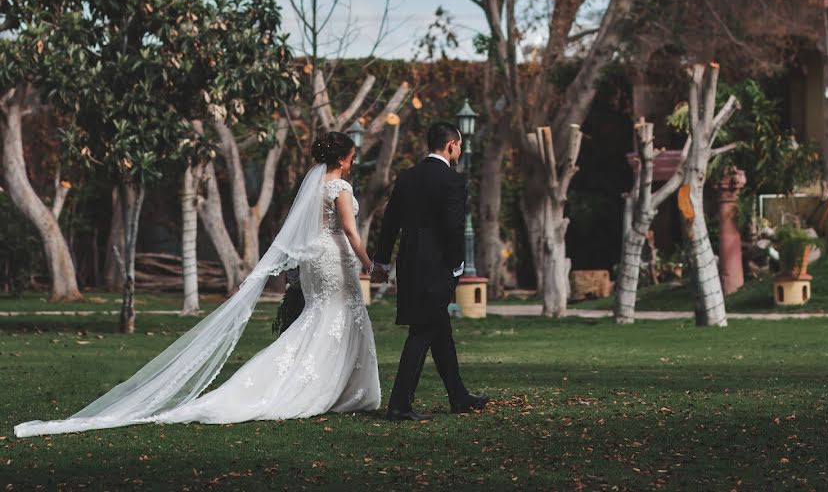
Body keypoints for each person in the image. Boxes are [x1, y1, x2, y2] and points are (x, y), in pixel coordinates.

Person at [15, 132, 379, 437]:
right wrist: (369, 264)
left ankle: (336, 387)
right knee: (337, 318)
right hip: (333, 255)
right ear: (344, 158)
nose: (350, 163)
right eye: (351, 158)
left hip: (313, 258)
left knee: (318, 320)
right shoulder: (339, 186)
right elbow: (348, 229)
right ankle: (335, 389)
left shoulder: (311, 186)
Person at [372, 122, 489, 421]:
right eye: (460, 145)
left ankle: (459, 397)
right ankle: (399, 405)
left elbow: (390, 222)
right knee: (423, 331)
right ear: (451, 145)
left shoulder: (407, 176)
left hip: (409, 262)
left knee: (440, 331)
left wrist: (382, 262)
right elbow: (453, 227)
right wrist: (456, 264)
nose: (460, 151)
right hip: (436, 264)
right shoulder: (452, 179)